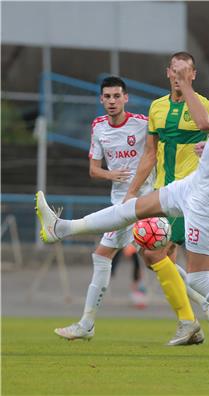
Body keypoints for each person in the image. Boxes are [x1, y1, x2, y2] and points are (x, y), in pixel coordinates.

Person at [36, 49, 209, 368]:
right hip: (195, 185)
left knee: (199, 280)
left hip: (207, 202)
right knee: (133, 208)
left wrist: (187, 86)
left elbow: (204, 121)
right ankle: (61, 228)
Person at [124, 51, 209, 345]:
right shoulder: (157, 108)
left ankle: (188, 321)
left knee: (153, 252)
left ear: (193, 75)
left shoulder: (206, 108)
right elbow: (150, 154)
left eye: (185, 72)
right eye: (175, 72)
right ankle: (202, 304)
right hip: (161, 193)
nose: (179, 78)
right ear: (168, 73)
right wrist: (132, 191)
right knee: (155, 257)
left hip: (188, 197)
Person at [54, 76, 155, 340]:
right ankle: (87, 325)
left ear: (126, 98)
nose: (112, 101)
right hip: (118, 204)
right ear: (101, 100)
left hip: (144, 201)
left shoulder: (143, 124)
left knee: (151, 258)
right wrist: (112, 175)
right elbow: (93, 170)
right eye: (107, 97)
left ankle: (86, 324)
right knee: (107, 257)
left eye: (116, 96)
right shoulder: (98, 127)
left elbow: (158, 151)